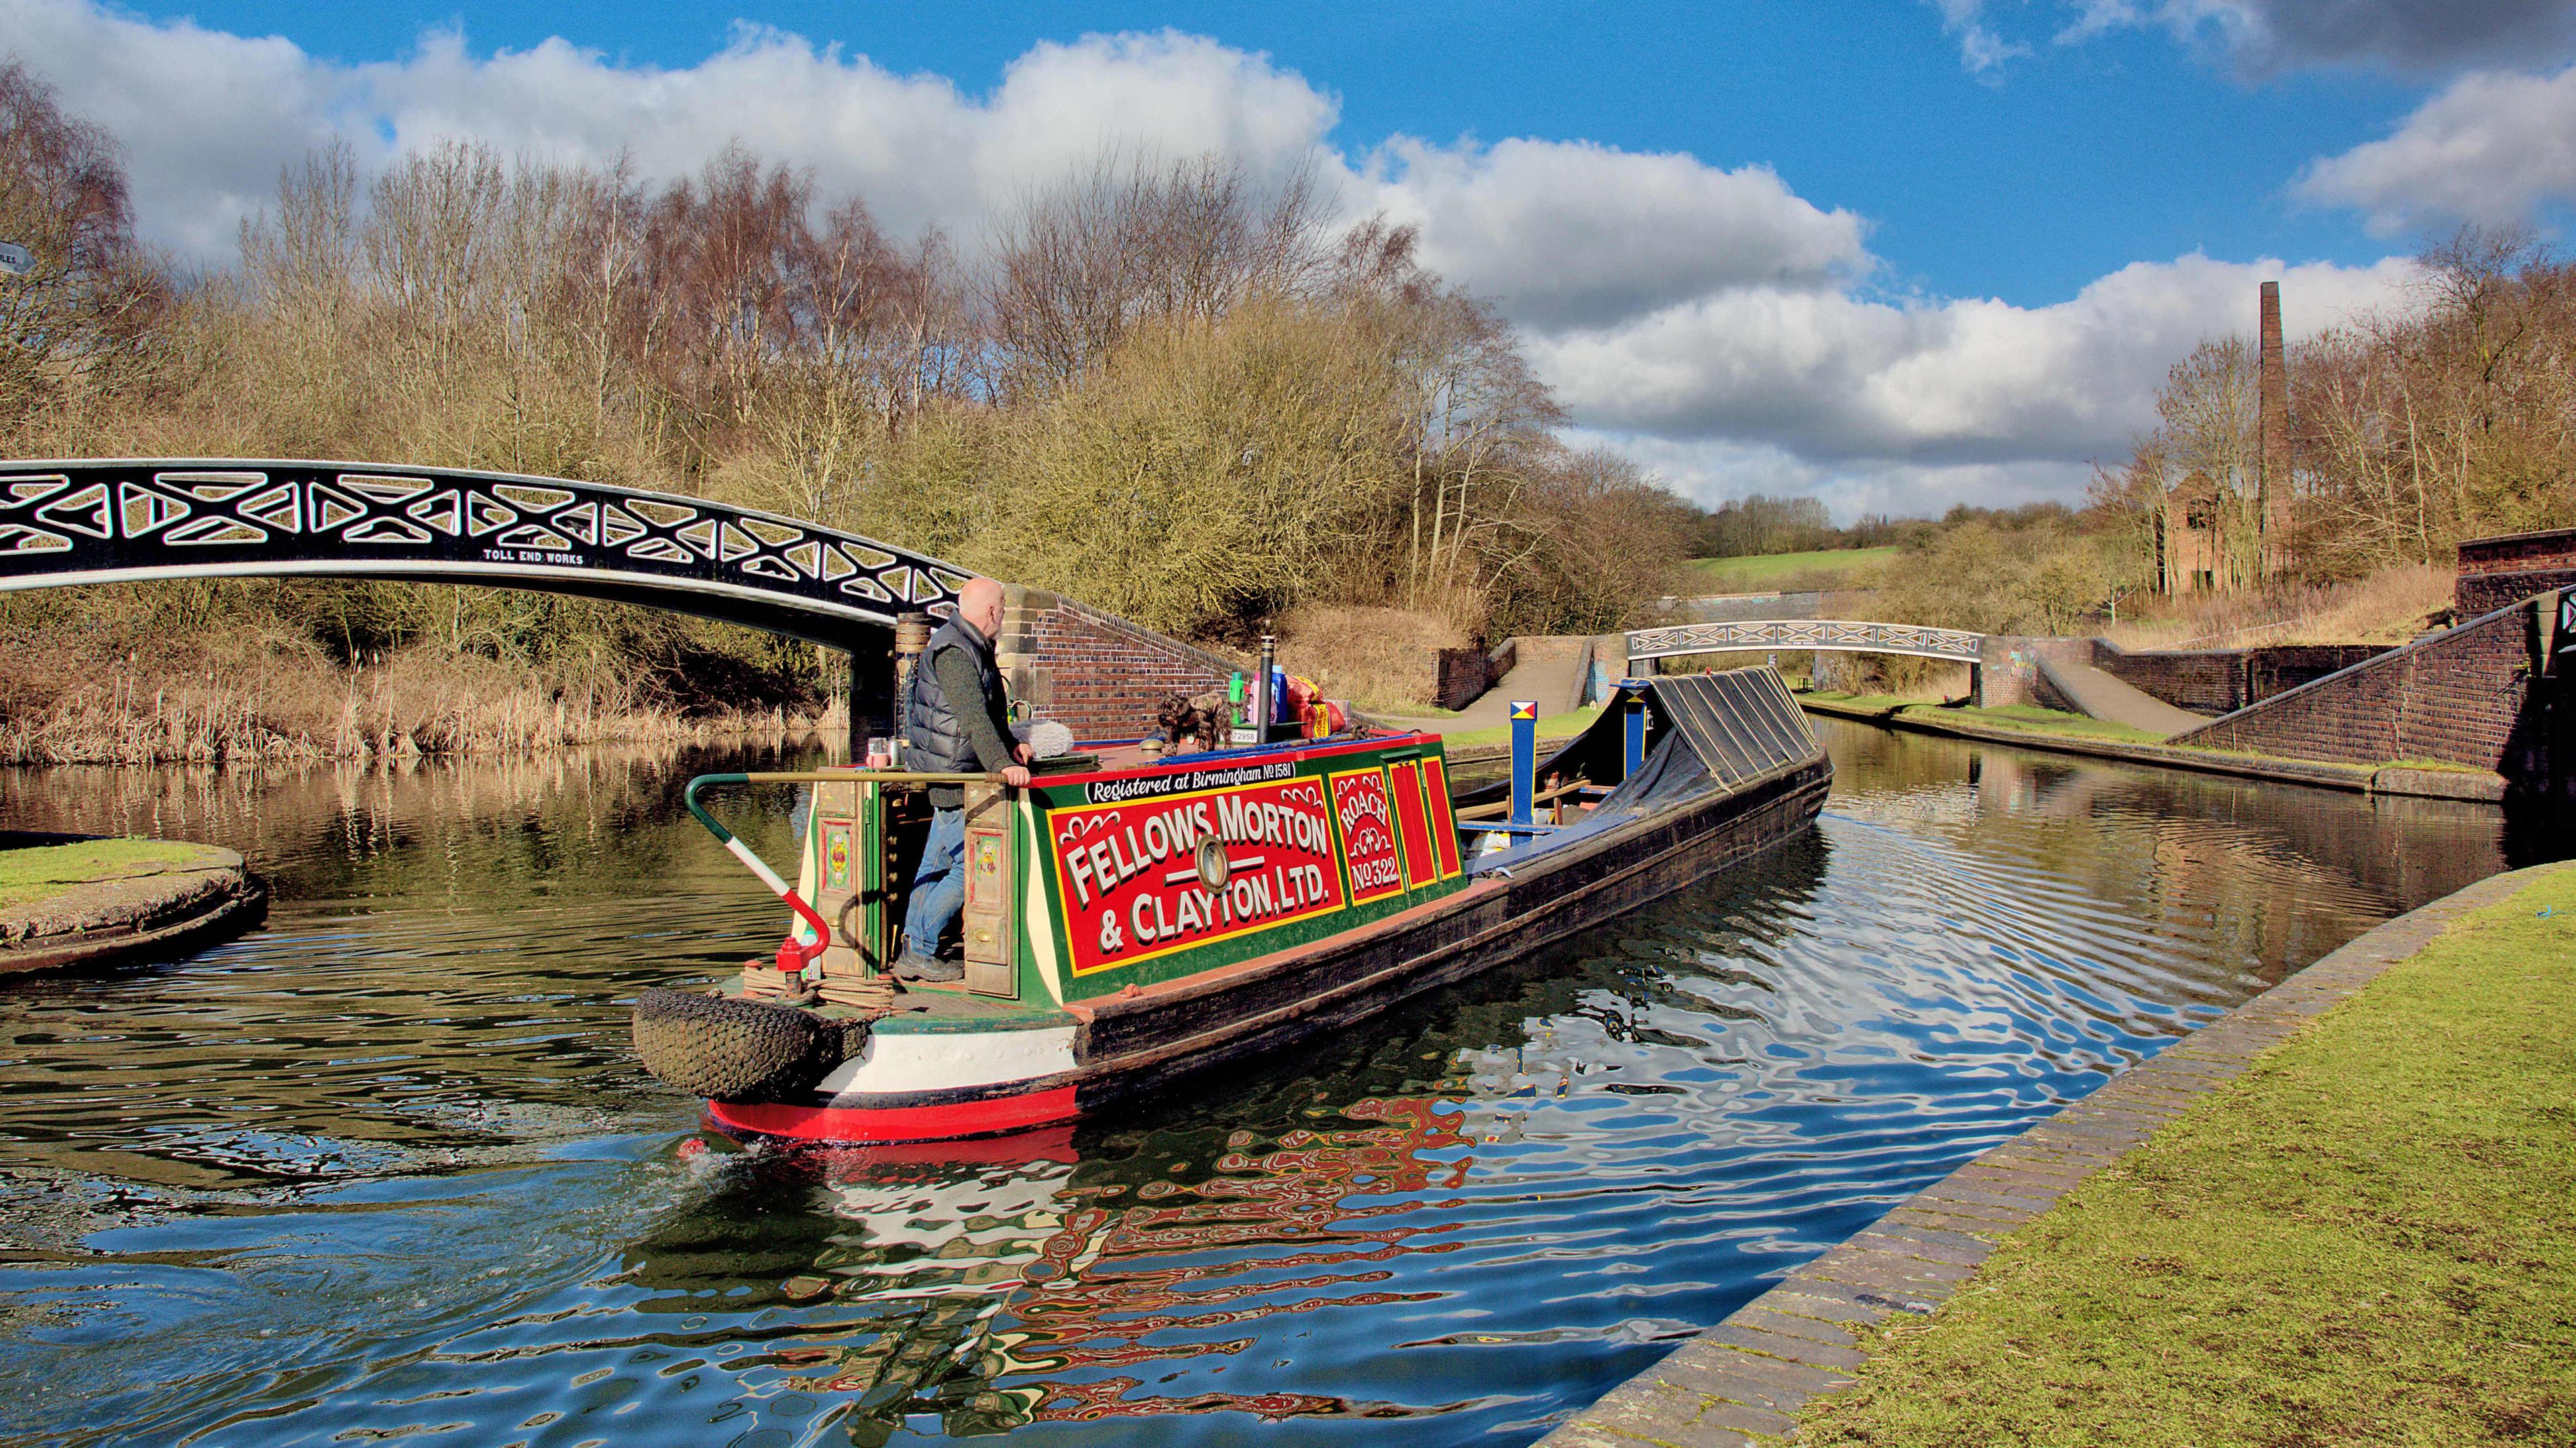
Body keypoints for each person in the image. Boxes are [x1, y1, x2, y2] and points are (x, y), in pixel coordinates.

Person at [894, 577, 1032, 981]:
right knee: (966, 868)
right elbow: (972, 715)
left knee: (935, 862)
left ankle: (914, 950)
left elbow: (992, 708)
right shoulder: (955, 649)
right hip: (954, 773)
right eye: (1003, 607)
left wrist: (1010, 746)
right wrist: (1002, 765)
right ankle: (921, 944)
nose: (1005, 614)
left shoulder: (971, 643)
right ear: (992, 611)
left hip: (957, 768)